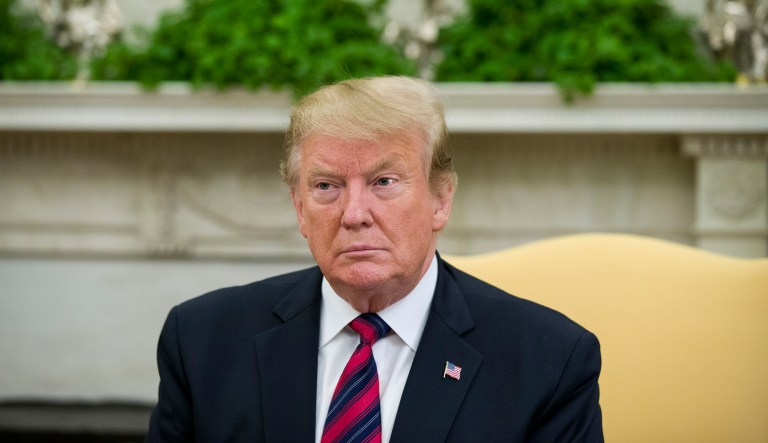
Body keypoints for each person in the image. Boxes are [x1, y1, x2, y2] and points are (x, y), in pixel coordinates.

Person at [146, 76, 603, 442]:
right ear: (300, 208)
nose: (354, 214)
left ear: (440, 200)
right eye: (326, 186)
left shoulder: (548, 360)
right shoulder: (203, 340)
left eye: (384, 181)